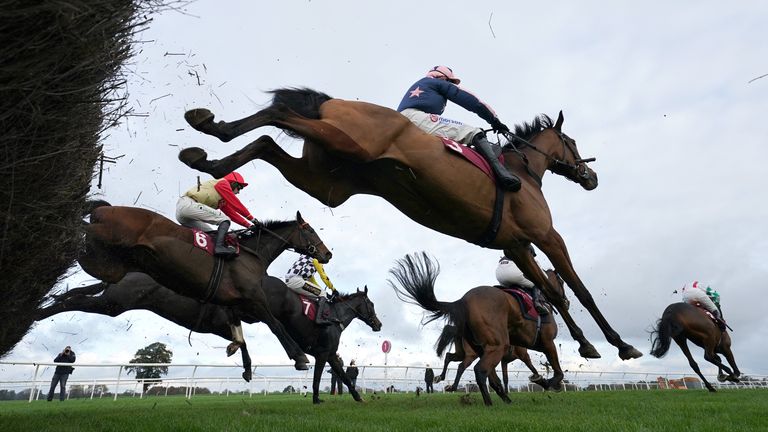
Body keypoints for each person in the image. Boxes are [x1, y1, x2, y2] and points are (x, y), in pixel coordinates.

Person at [397, 65, 521, 191]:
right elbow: (472, 102)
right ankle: (503, 174)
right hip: (417, 117)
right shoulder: (436, 82)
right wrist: (494, 121)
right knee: (473, 132)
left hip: (407, 117)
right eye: (450, 82)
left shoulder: (424, 84)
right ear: (442, 77)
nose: (452, 85)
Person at [175, 171, 258, 257]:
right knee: (225, 219)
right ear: (233, 183)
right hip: (188, 205)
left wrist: (248, 225)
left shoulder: (222, 199)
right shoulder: (223, 183)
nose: (238, 192)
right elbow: (235, 203)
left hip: (184, 216)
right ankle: (219, 248)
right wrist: (252, 218)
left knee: (211, 234)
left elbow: (232, 214)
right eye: (239, 188)